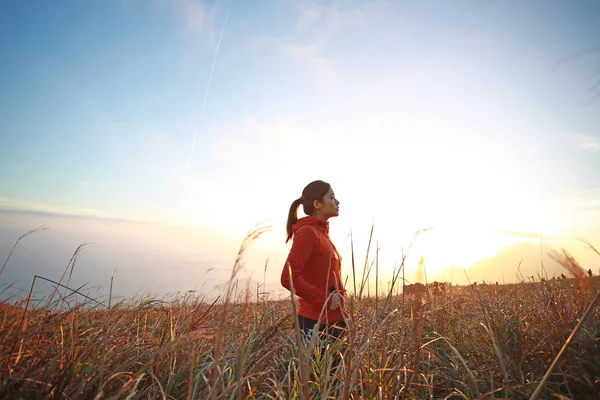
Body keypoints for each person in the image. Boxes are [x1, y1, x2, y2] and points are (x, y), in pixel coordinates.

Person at [280, 180, 348, 375]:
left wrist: (343, 315)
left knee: (335, 383)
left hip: (334, 321)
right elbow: (289, 277)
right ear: (317, 204)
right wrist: (325, 299)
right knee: (318, 383)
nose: (337, 202)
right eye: (332, 197)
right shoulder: (308, 233)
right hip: (315, 323)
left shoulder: (323, 234)